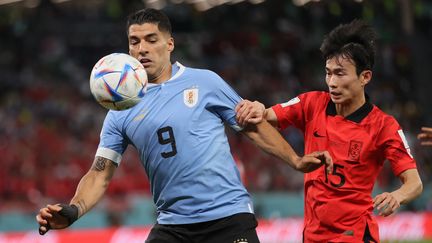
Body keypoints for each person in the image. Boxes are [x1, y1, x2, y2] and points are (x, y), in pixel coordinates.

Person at [36, 8, 333, 243]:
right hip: (173, 225)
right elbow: (99, 173)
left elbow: (251, 127)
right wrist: (74, 210)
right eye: (134, 41)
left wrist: (294, 159)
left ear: (169, 44)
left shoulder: (205, 82)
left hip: (227, 219)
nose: (142, 49)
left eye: (151, 40)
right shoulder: (119, 110)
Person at [236, 20, 423, 242]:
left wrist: (397, 196)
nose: (332, 82)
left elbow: (414, 183)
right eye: (328, 73)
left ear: (365, 77)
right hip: (312, 236)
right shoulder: (312, 103)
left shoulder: (384, 126)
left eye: (340, 74)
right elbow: (264, 116)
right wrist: (258, 108)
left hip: (354, 236)